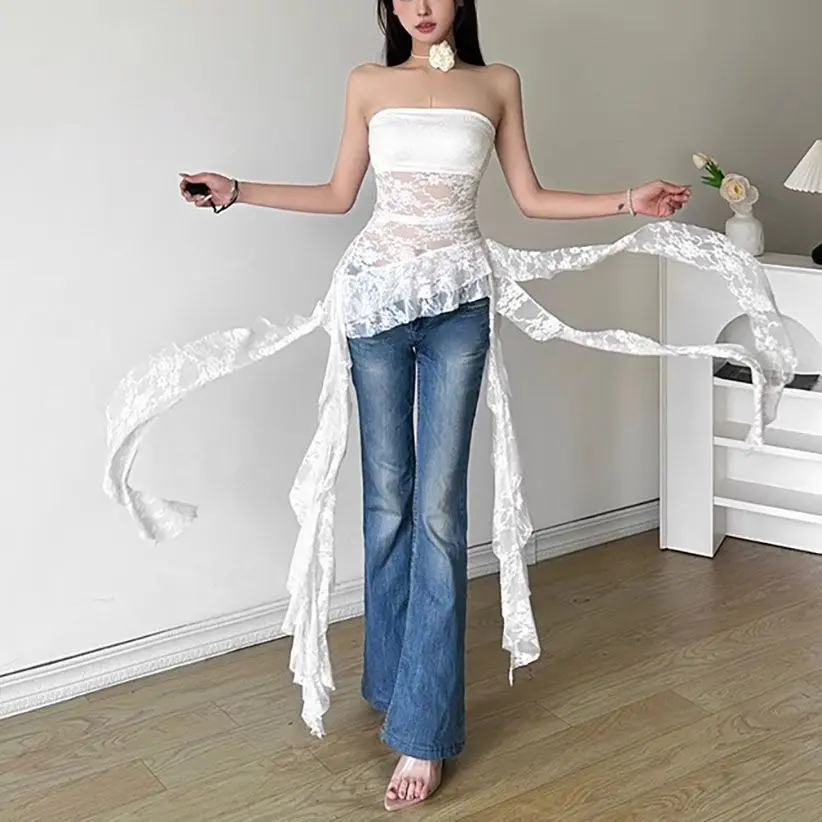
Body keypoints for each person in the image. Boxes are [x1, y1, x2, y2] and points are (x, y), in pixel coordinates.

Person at [103, 0, 794, 813]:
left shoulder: (497, 82)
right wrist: (236, 190)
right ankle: (393, 681)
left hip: (461, 302)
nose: (421, 7)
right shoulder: (367, 82)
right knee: (386, 499)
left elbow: (531, 197)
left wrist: (628, 200)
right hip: (374, 302)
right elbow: (339, 194)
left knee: (438, 509)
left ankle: (425, 732)